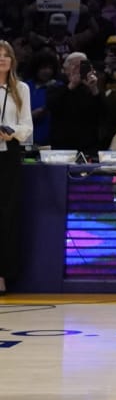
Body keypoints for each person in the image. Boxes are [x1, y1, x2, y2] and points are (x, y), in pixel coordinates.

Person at [0, 40, 33, 294]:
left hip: (9, 154)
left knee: (7, 216)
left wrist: (12, 134)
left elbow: (27, 126)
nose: (2, 60)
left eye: (6, 56)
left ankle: (3, 274)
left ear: (12, 60)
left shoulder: (20, 89)